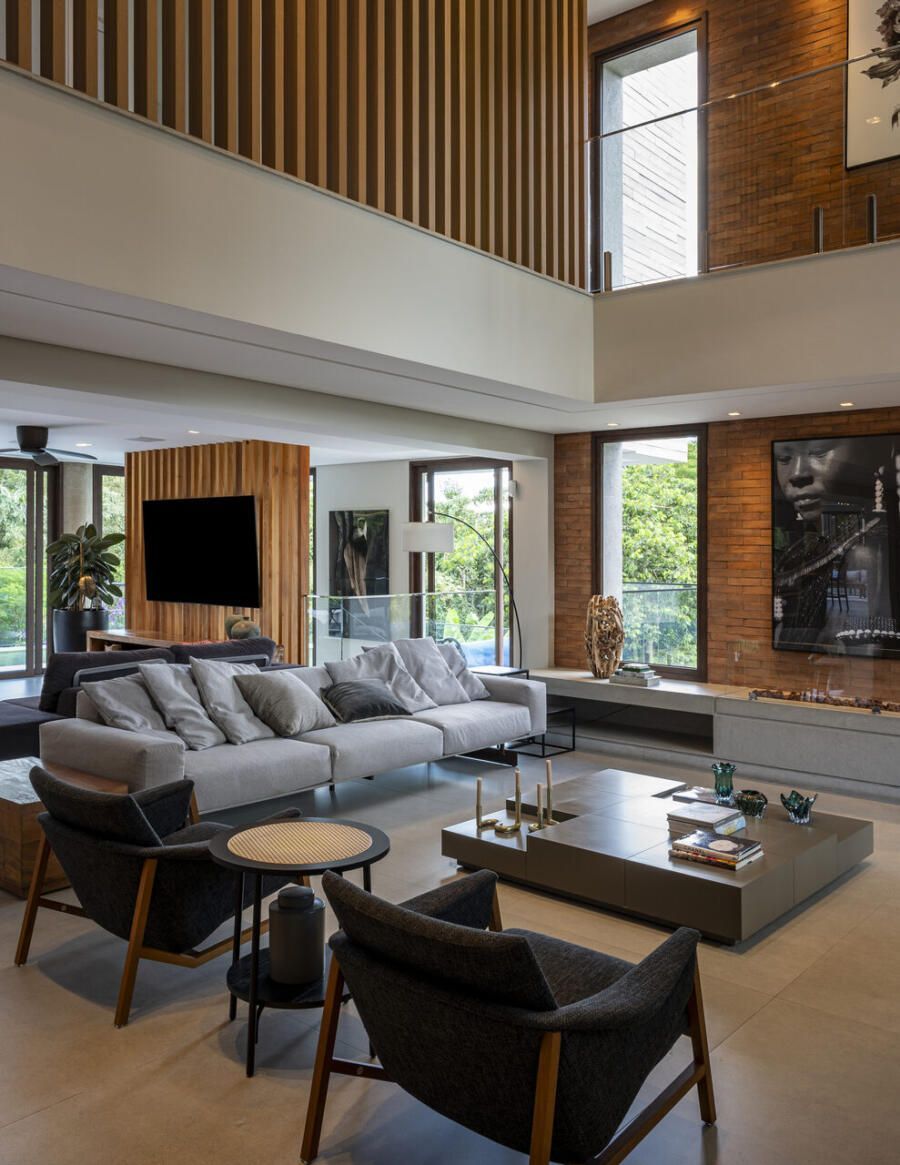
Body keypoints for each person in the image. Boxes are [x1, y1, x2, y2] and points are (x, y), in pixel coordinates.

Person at [773, 435, 899, 655]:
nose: (797, 473)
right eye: (784, 458)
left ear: (875, 457)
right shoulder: (805, 550)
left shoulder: (866, 553)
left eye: (819, 452)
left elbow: (865, 649)